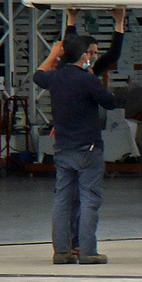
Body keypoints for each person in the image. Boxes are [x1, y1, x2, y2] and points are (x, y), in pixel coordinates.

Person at [33, 31, 117, 264]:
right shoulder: (87, 78)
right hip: (88, 148)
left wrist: (52, 55)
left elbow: (38, 75)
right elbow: (110, 102)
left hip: (63, 148)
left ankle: (62, 250)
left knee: (62, 199)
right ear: (83, 56)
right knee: (89, 198)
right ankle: (88, 250)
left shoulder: (56, 77)